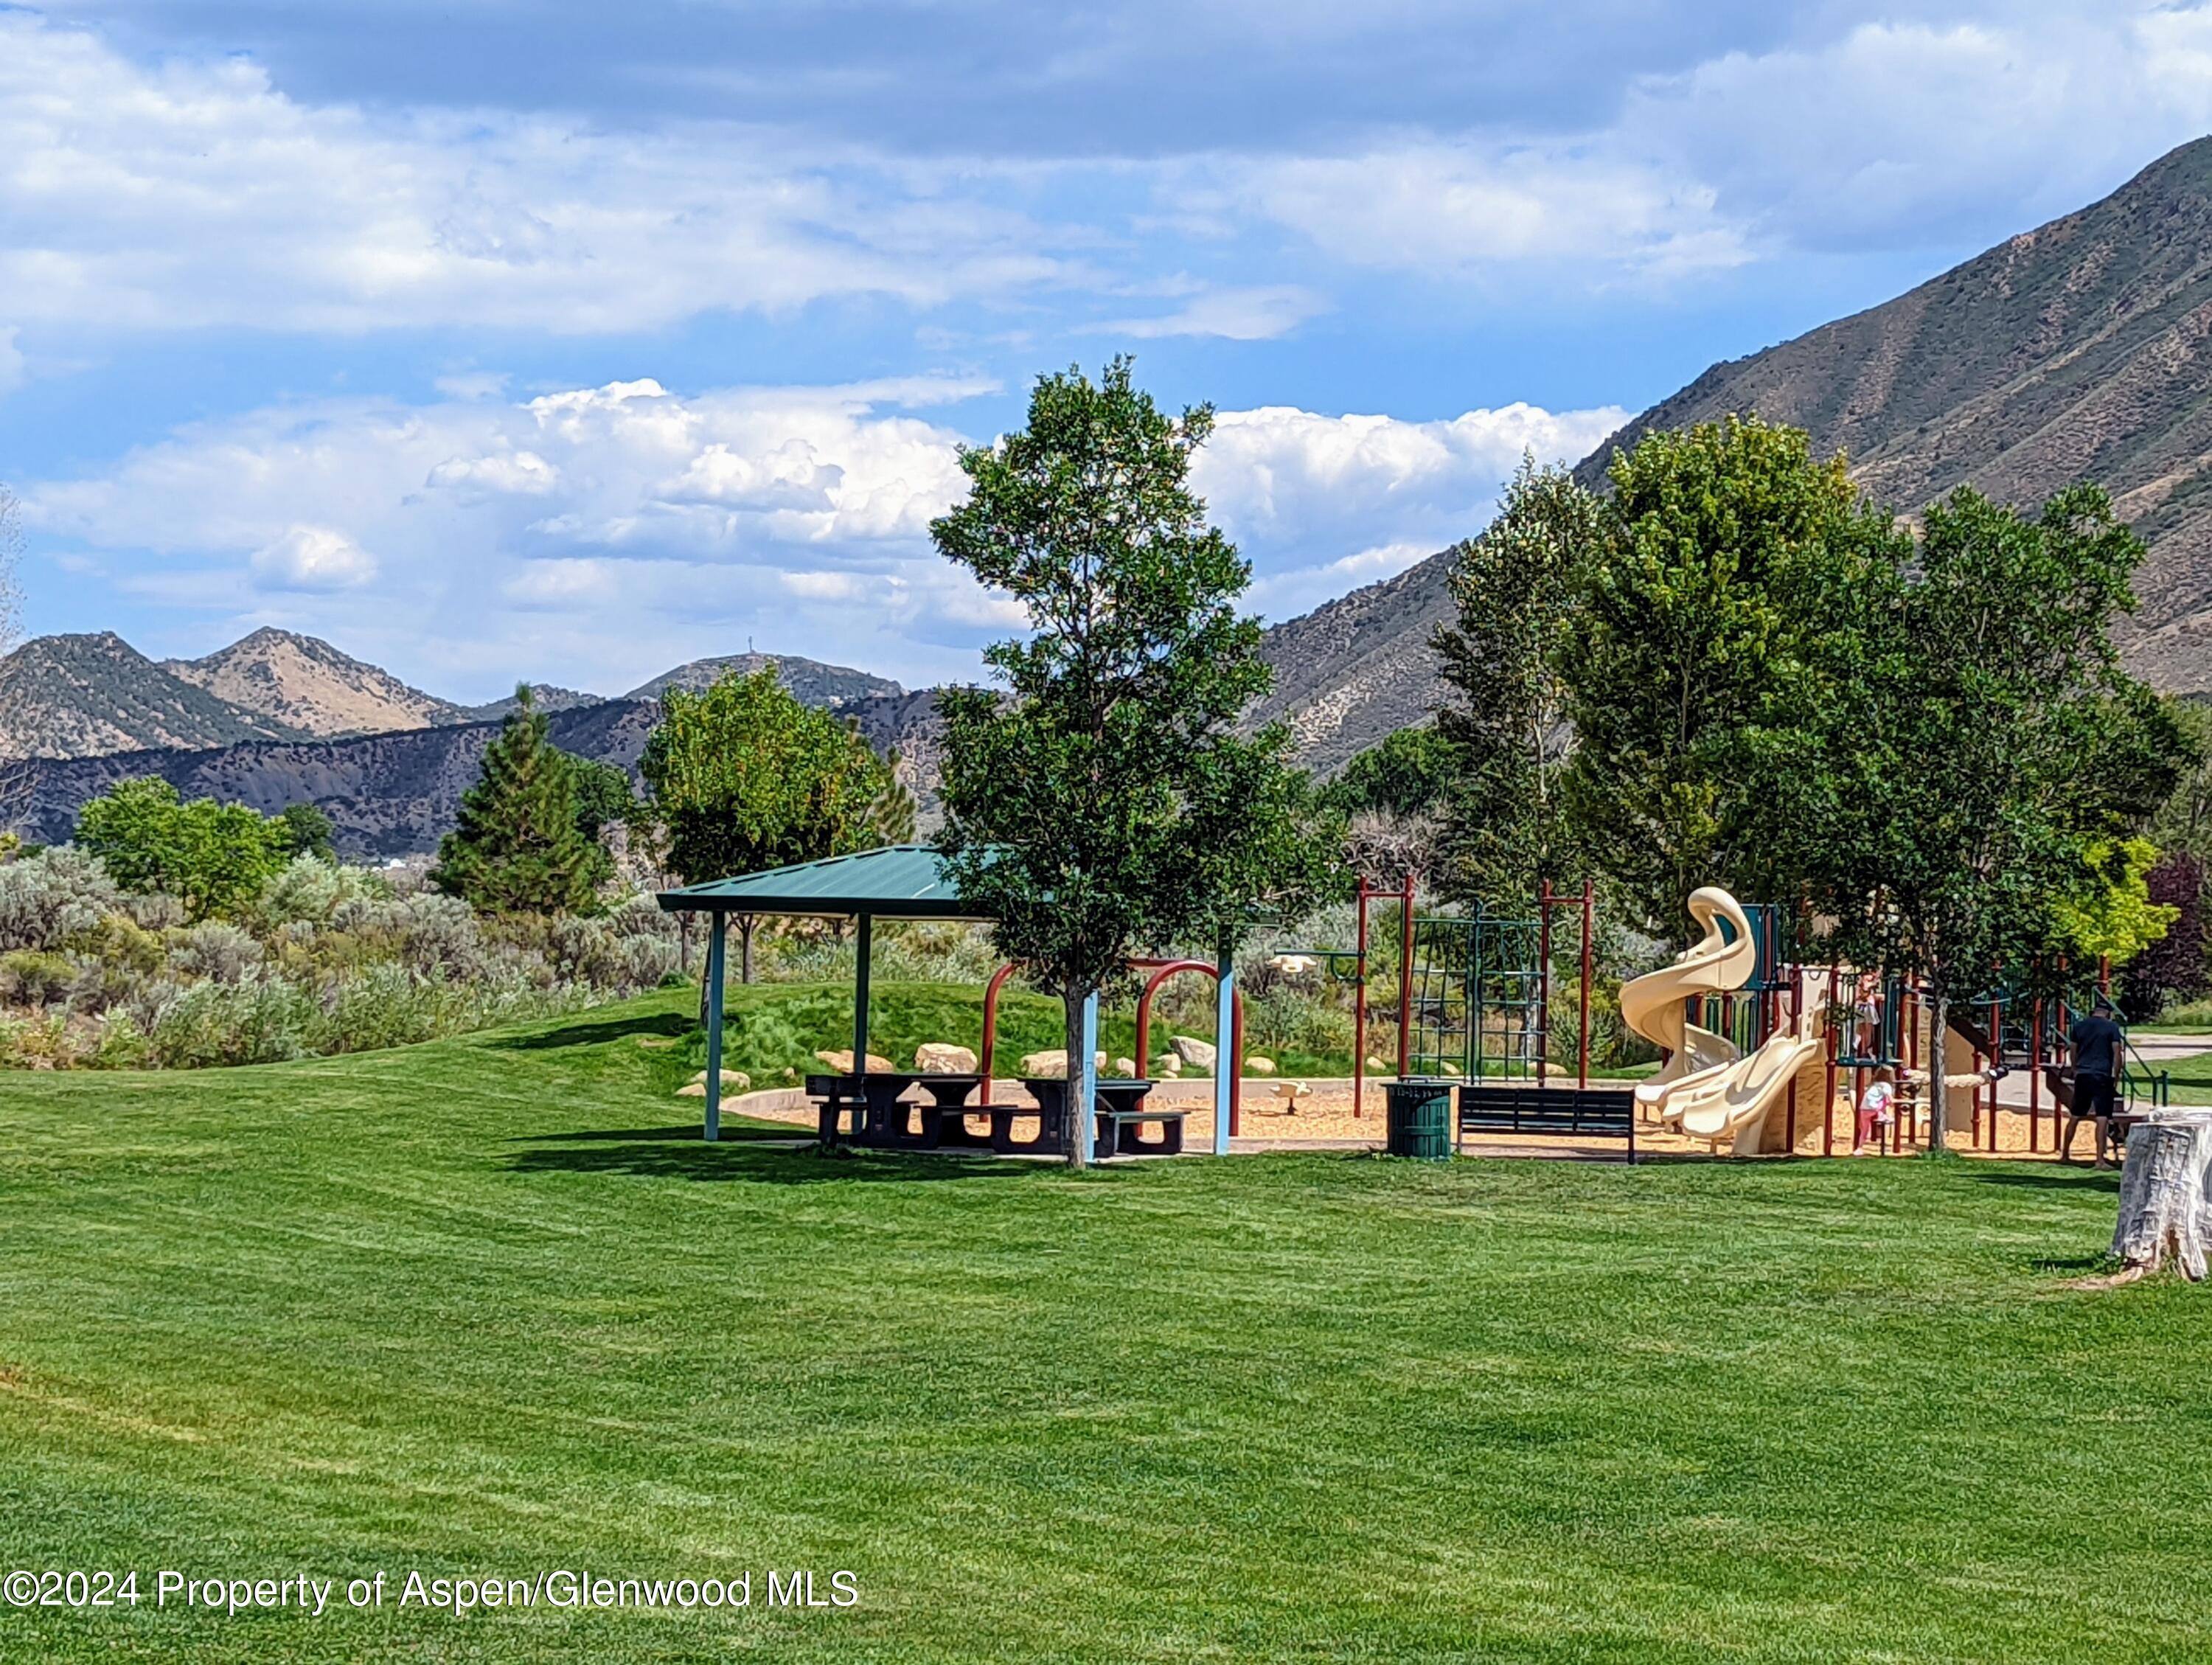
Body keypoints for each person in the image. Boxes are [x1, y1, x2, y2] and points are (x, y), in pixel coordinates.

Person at [2062, 1004, 2126, 1170]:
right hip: (2102, 1075)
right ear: (2108, 1013)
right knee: (2102, 1117)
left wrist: (2075, 1069)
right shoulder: (2112, 1028)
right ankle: (2099, 1160)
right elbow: (2117, 1052)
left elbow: (2073, 1050)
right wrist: (2117, 1075)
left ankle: (2065, 1154)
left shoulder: (2080, 1026)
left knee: (2075, 1115)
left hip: (2083, 1074)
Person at [1853, 1065, 1897, 1155]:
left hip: (1864, 1109)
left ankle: (1859, 1148)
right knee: (1885, 1099)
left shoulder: (1874, 1084)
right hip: (1875, 1109)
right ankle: (1883, 1115)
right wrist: (1893, 1104)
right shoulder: (1886, 1085)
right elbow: (1890, 1099)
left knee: (1864, 1130)